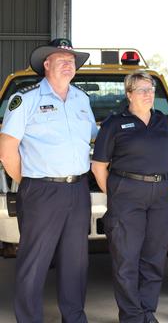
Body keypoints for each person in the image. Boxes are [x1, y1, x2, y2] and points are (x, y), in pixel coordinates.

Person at [0, 38, 97, 323]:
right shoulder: (26, 100)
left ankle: (74, 317)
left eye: (72, 61)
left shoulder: (82, 99)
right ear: (46, 64)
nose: (69, 64)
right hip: (41, 190)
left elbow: (90, 138)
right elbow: (7, 150)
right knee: (35, 262)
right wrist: (31, 180)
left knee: (75, 261)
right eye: (61, 59)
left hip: (78, 189)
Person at [91, 71, 168, 323]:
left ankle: (147, 312)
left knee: (154, 257)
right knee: (126, 260)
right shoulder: (114, 124)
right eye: (142, 90)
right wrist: (117, 195)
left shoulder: (162, 121)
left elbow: (167, 158)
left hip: (160, 198)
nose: (149, 94)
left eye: (151, 89)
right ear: (129, 94)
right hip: (127, 197)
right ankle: (131, 316)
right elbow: (98, 166)